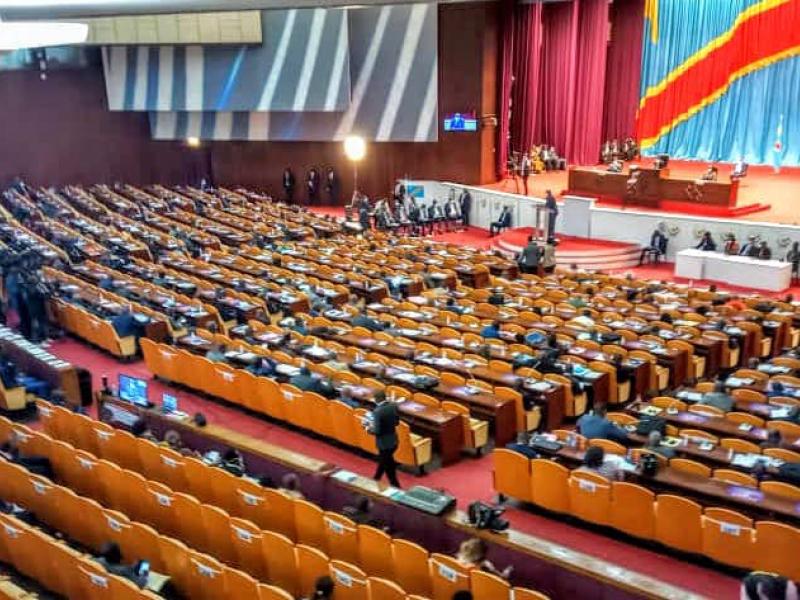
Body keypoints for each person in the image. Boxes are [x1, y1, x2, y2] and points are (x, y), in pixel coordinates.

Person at [370, 391, 401, 487]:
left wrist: (368, 429)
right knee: (387, 462)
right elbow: (397, 423)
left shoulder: (377, 412)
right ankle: (378, 479)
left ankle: (391, 483)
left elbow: (377, 431)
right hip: (394, 441)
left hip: (384, 443)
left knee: (385, 463)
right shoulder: (393, 406)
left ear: (376, 399)